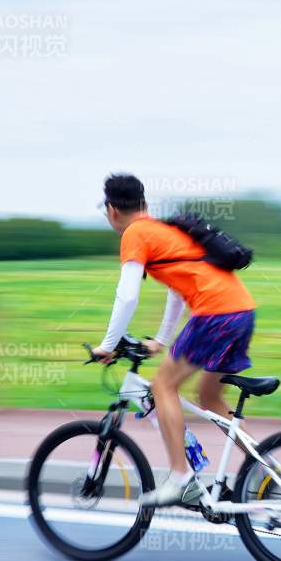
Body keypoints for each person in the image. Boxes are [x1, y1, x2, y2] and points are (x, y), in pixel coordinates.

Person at [91, 173, 257, 506]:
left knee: (162, 387)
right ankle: (265, 469)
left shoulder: (136, 233)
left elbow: (127, 297)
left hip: (215, 315)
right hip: (242, 311)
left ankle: (181, 479)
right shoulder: (164, 231)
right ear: (144, 204)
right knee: (209, 398)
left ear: (112, 210)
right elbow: (177, 293)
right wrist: (161, 340)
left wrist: (108, 346)